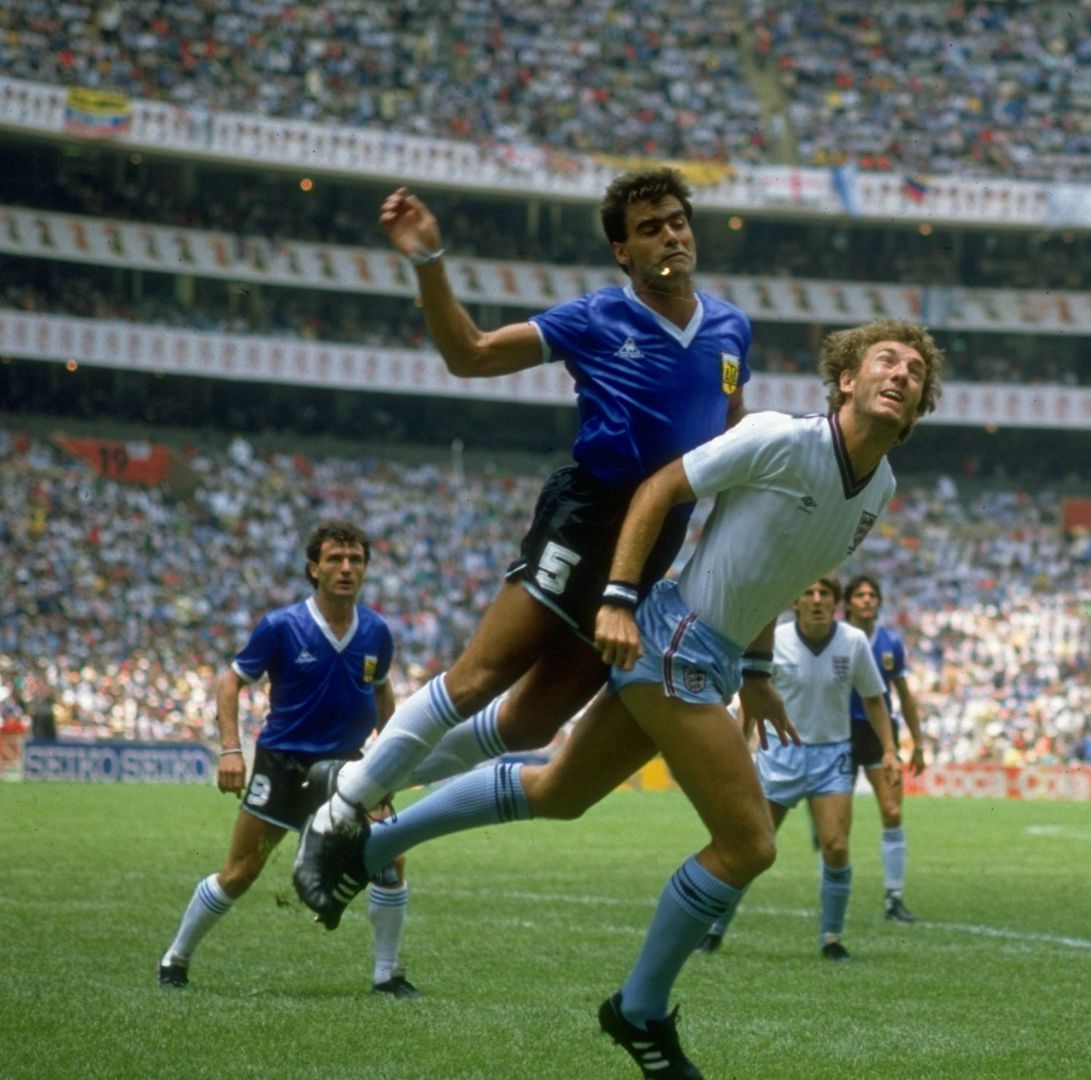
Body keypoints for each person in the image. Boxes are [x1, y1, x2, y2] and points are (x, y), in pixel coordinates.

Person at [297, 319, 942, 1078]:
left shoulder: (879, 489)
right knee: (749, 844)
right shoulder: (780, 436)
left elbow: (777, 569)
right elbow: (660, 488)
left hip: (714, 658)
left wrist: (758, 673)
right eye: (886, 360)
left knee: (558, 792)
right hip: (675, 644)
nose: (901, 374)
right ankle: (639, 1009)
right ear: (846, 380)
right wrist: (618, 598)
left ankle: (366, 843)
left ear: (920, 405)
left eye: (916, 372)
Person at [295, 167, 751, 920]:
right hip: (586, 518)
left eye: (677, 221)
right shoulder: (597, 317)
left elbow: (729, 432)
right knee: (478, 679)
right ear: (623, 252)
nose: (671, 235)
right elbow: (470, 354)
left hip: (652, 544)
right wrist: (428, 260)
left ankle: (355, 778)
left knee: (531, 724)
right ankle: (338, 813)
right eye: (650, 228)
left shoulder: (731, 328)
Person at [156, 520, 417, 996]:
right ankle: (175, 958)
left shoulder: (376, 630)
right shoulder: (281, 626)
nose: (346, 568)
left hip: (349, 769)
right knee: (241, 871)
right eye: (335, 559)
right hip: (283, 767)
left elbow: (382, 694)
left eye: (356, 560)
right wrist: (231, 749)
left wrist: (392, 756)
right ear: (314, 568)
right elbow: (230, 681)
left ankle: (388, 975)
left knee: (391, 859)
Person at [701, 578, 897, 960]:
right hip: (780, 754)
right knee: (750, 849)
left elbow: (874, 699)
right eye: (809, 593)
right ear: (795, 601)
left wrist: (890, 749)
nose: (817, 600)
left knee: (836, 847)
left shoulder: (854, 641)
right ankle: (714, 930)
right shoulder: (774, 641)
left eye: (826, 594)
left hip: (833, 756)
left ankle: (832, 938)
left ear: (837, 603)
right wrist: (738, 747)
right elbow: (751, 699)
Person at [840, 574, 929, 922]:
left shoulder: (891, 642)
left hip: (880, 735)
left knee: (892, 812)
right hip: (841, 732)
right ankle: (836, 894)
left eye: (872, 595)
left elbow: (905, 697)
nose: (867, 600)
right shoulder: (837, 638)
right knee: (837, 821)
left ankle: (894, 897)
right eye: (860, 595)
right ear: (848, 602)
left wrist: (918, 743)